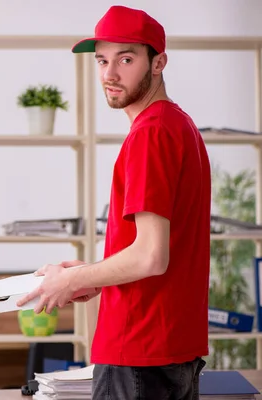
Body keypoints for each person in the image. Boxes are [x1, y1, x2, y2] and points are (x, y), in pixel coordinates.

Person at [18, 5, 211, 399]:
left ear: (159, 63)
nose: (109, 74)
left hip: (138, 352)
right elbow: (156, 252)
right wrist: (92, 273)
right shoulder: (180, 125)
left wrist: (70, 279)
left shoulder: (150, 134)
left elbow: (150, 257)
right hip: (170, 349)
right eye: (102, 60)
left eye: (126, 59)